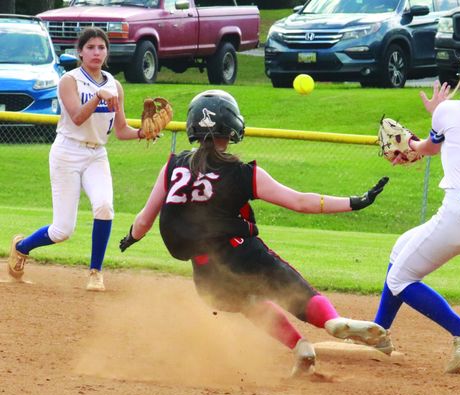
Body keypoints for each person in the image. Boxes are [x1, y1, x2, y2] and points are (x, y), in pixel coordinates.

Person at [119, 89, 391, 376]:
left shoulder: (173, 168)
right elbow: (300, 201)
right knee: (294, 291)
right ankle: (331, 321)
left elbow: (144, 220)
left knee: (250, 304)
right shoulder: (241, 172)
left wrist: (131, 238)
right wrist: (354, 202)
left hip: (206, 275)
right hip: (241, 252)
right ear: (233, 126)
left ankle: (300, 348)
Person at [371, 47, 460, 373]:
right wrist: (438, 117)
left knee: (400, 279)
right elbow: (452, 142)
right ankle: (378, 333)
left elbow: (427, 149)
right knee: (401, 249)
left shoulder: (448, 112)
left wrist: (410, 143)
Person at [6, 27, 147, 292]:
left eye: (101, 47)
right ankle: (21, 247)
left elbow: (121, 130)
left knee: (104, 207)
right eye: (90, 47)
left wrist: (143, 133)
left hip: (97, 154)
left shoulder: (114, 85)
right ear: (80, 52)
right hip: (67, 153)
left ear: (107, 53)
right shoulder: (69, 80)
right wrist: (97, 97)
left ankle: (95, 272)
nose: (96, 52)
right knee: (62, 231)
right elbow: (78, 117)